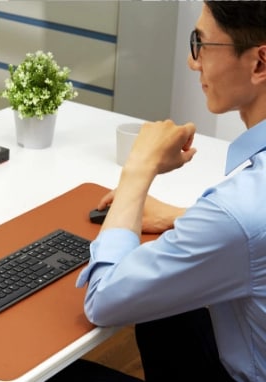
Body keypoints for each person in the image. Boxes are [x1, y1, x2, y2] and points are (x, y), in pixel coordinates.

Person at [52, 1, 266, 381]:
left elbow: (102, 300)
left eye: (201, 43)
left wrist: (139, 168)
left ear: (259, 63)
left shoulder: (241, 211)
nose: (191, 62)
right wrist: (178, 217)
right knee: (166, 314)